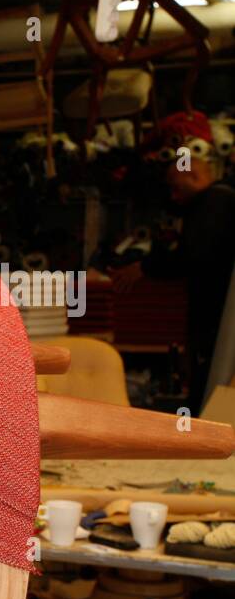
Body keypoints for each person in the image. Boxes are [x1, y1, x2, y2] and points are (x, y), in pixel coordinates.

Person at [112, 113, 235, 410]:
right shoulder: (211, 203)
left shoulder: (216, 202)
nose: (173, 195)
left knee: (209, 382)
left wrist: (146, 267)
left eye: (174, 186)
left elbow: (194, 255)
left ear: (192, 172)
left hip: (216, 319)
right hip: (211, 319)